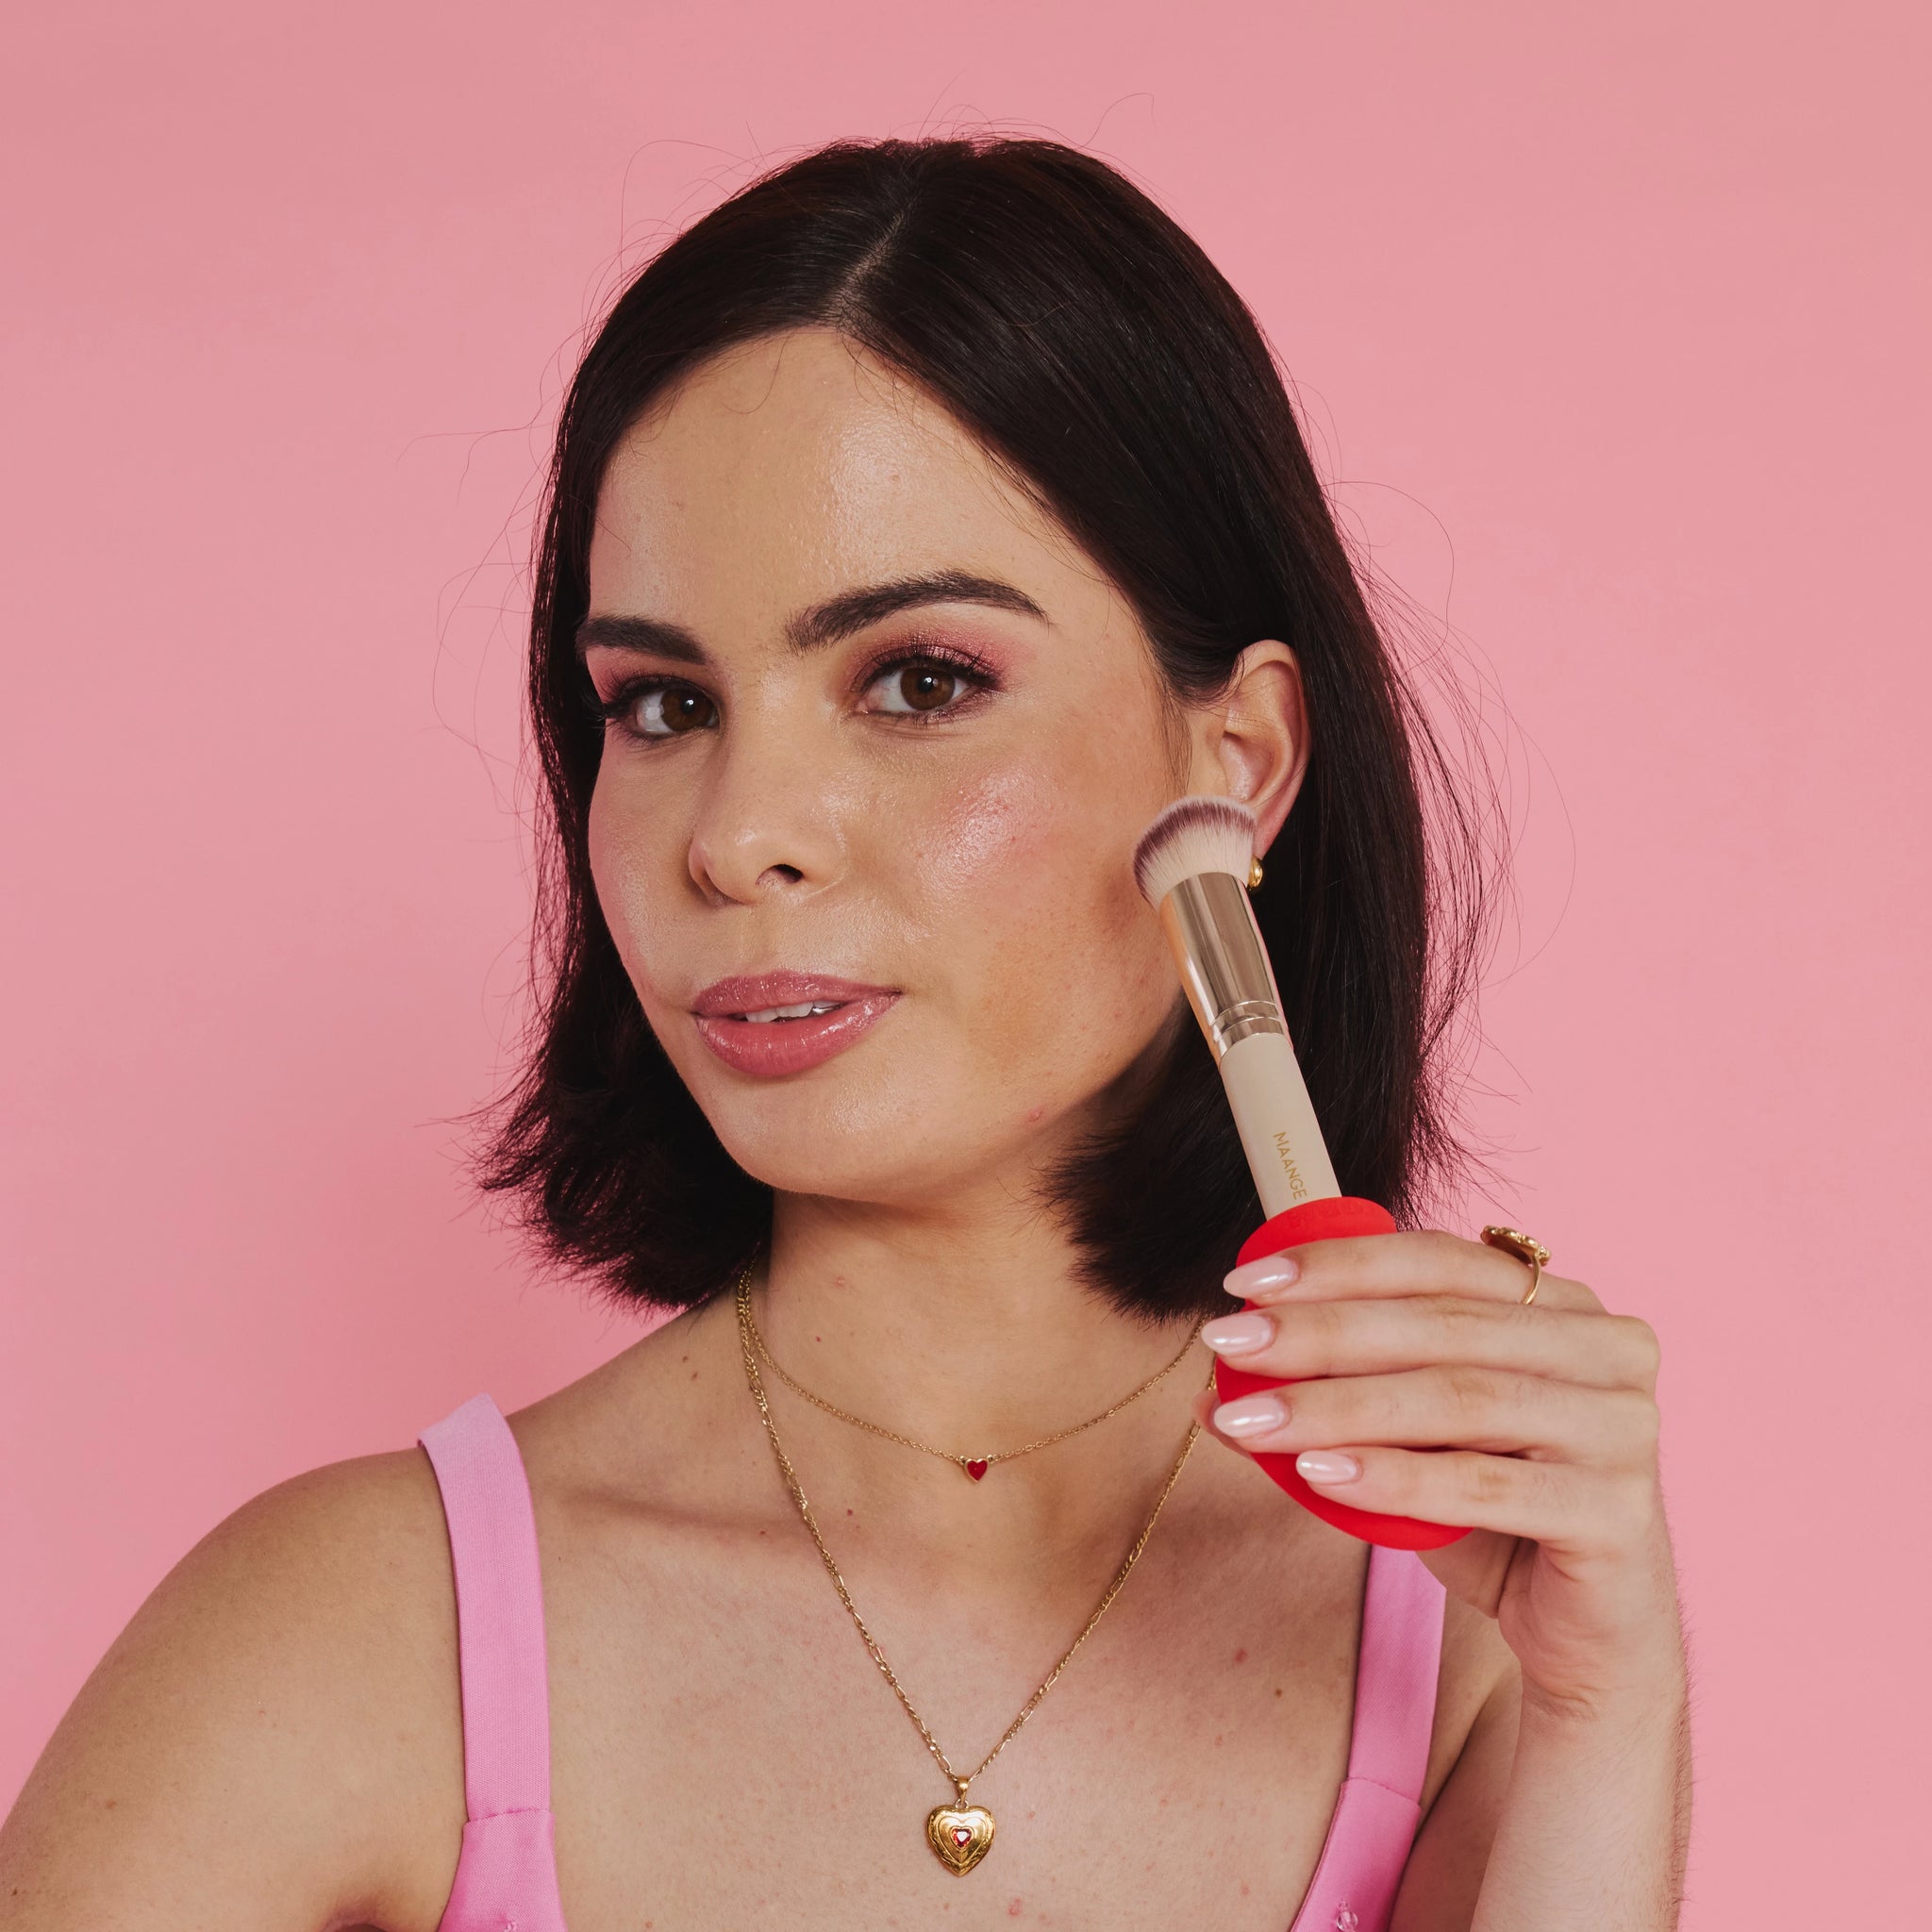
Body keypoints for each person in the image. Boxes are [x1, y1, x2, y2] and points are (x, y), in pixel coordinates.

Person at [0, 137, 1689, 1931]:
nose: (735, 834)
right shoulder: (347, 1648)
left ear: (1240, 762)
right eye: (660, 705)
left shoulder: (1470, 1660)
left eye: (919, 681)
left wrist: (1612, 1705)